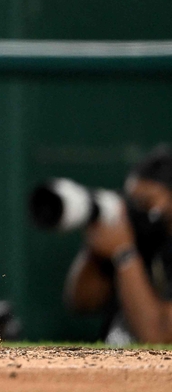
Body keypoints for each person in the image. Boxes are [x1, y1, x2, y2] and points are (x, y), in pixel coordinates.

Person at [65, 145, 172, 345]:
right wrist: (97, 246)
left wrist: (125, 254)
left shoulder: (129, 248)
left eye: (146, 202)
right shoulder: (138, 237)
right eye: (132, 202)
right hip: (109, 368)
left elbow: (159, 336)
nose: (137, 210)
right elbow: (83, 302)